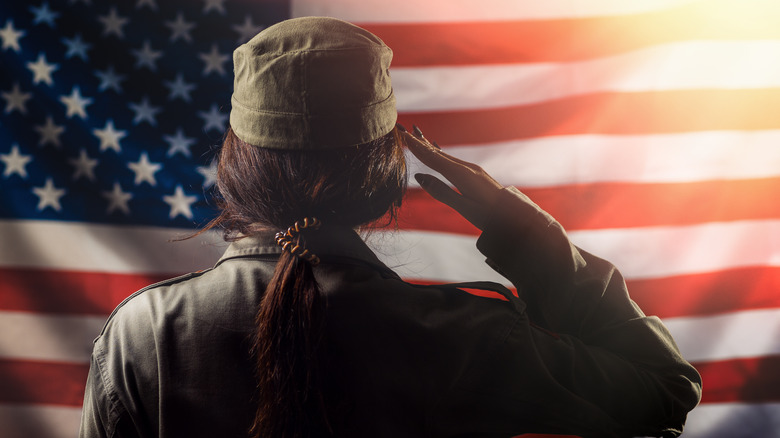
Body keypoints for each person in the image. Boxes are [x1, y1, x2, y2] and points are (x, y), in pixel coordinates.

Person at [79, 17, 702, 438]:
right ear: (384, 166)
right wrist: (524, 235)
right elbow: (663, 389)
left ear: (237, 159)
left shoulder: (143, 335)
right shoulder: (462, 334)